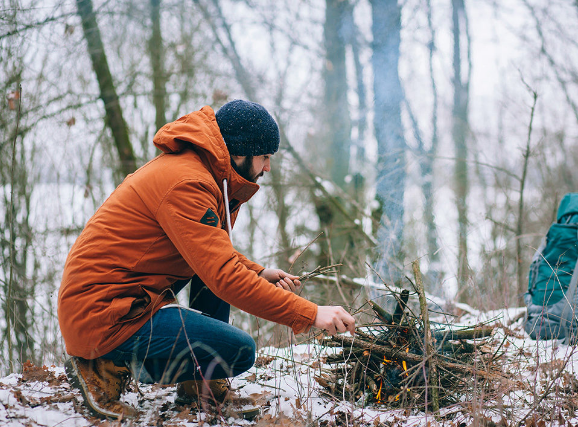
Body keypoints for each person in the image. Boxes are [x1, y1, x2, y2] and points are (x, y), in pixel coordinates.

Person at [58, 100, 356, 420]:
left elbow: (210, 249)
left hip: (125, 300)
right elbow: (224, 275)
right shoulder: (188, 182)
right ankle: (100, 365)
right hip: (104, 314)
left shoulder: (201, 173)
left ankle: (199, 387)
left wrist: (258, 271)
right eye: (265, 157)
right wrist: (311, 314)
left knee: (210, 275)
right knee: (239, 350)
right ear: (240, 152)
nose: (267, 167)